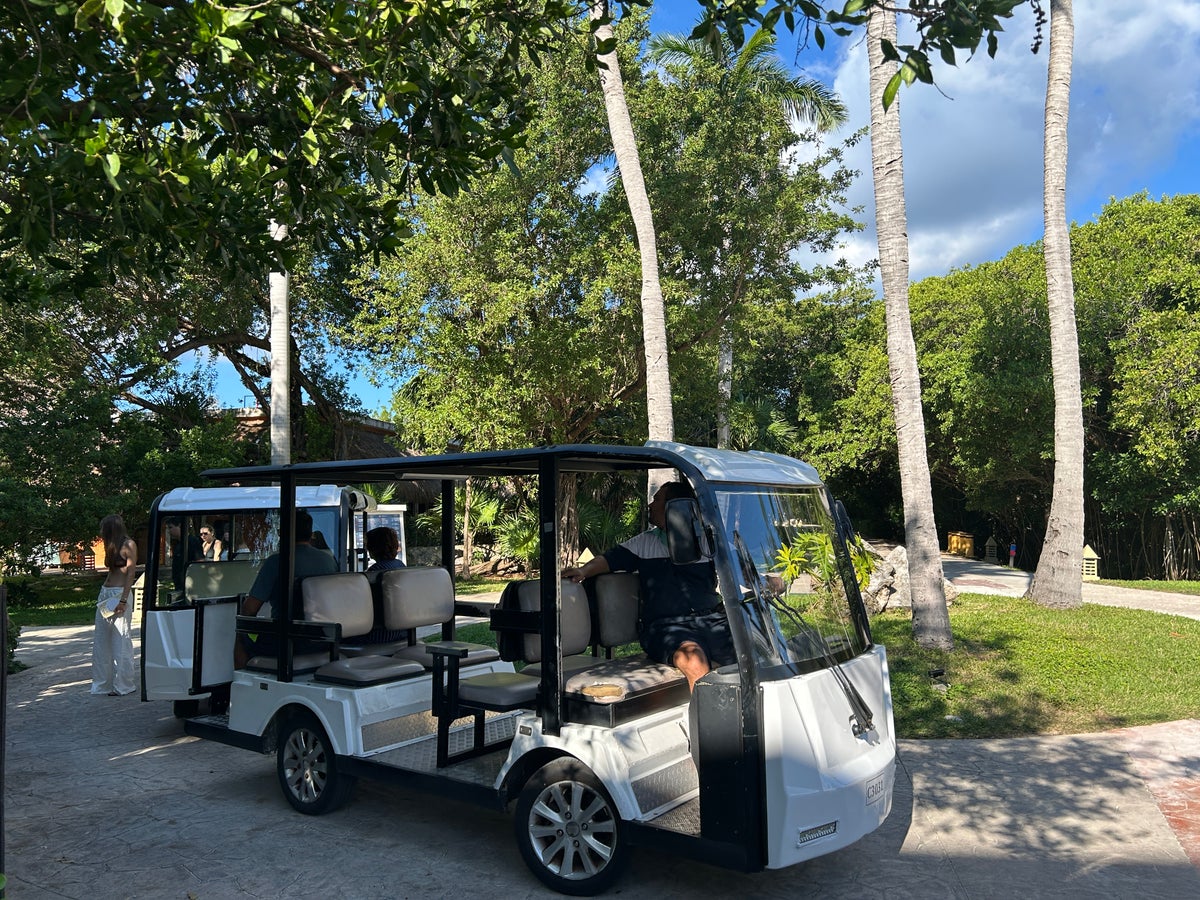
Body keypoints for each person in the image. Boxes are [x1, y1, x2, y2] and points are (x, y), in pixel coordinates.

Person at [564, 481, 735, 690]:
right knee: (693, 660)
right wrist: (583, 571)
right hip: (666, 627)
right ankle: (711, 711)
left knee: (751, 652)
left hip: (711, 621)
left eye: (657, 500)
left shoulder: (708, 542)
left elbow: (741, 565)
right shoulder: (644, 543)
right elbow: (608, 560)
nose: (650, 505)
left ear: (676, 507)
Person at [235, 509, 338, 668]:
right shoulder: (328, 560)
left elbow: (250, 609)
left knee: (241, 633)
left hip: (287, 639)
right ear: (310, 533)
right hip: (325, 639)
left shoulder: (277, 562)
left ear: (282, 533)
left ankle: (240, 677)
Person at [92, 514, 137, 696]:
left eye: (104, 529)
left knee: (121, 638)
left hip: (119, 594)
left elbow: (130, 574)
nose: (101, 533)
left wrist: (123, 600)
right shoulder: (111, 546)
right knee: (102, 639)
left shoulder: (129, 545)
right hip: (106, 593)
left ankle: (123, 684)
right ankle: (103, 683)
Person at [167, 518, 203, 592]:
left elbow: (199, 562)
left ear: (180, 526)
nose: (169, 531)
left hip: (190, 586)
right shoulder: (178, 544)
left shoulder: (193, 542)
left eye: (170, 527)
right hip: (180, 585)